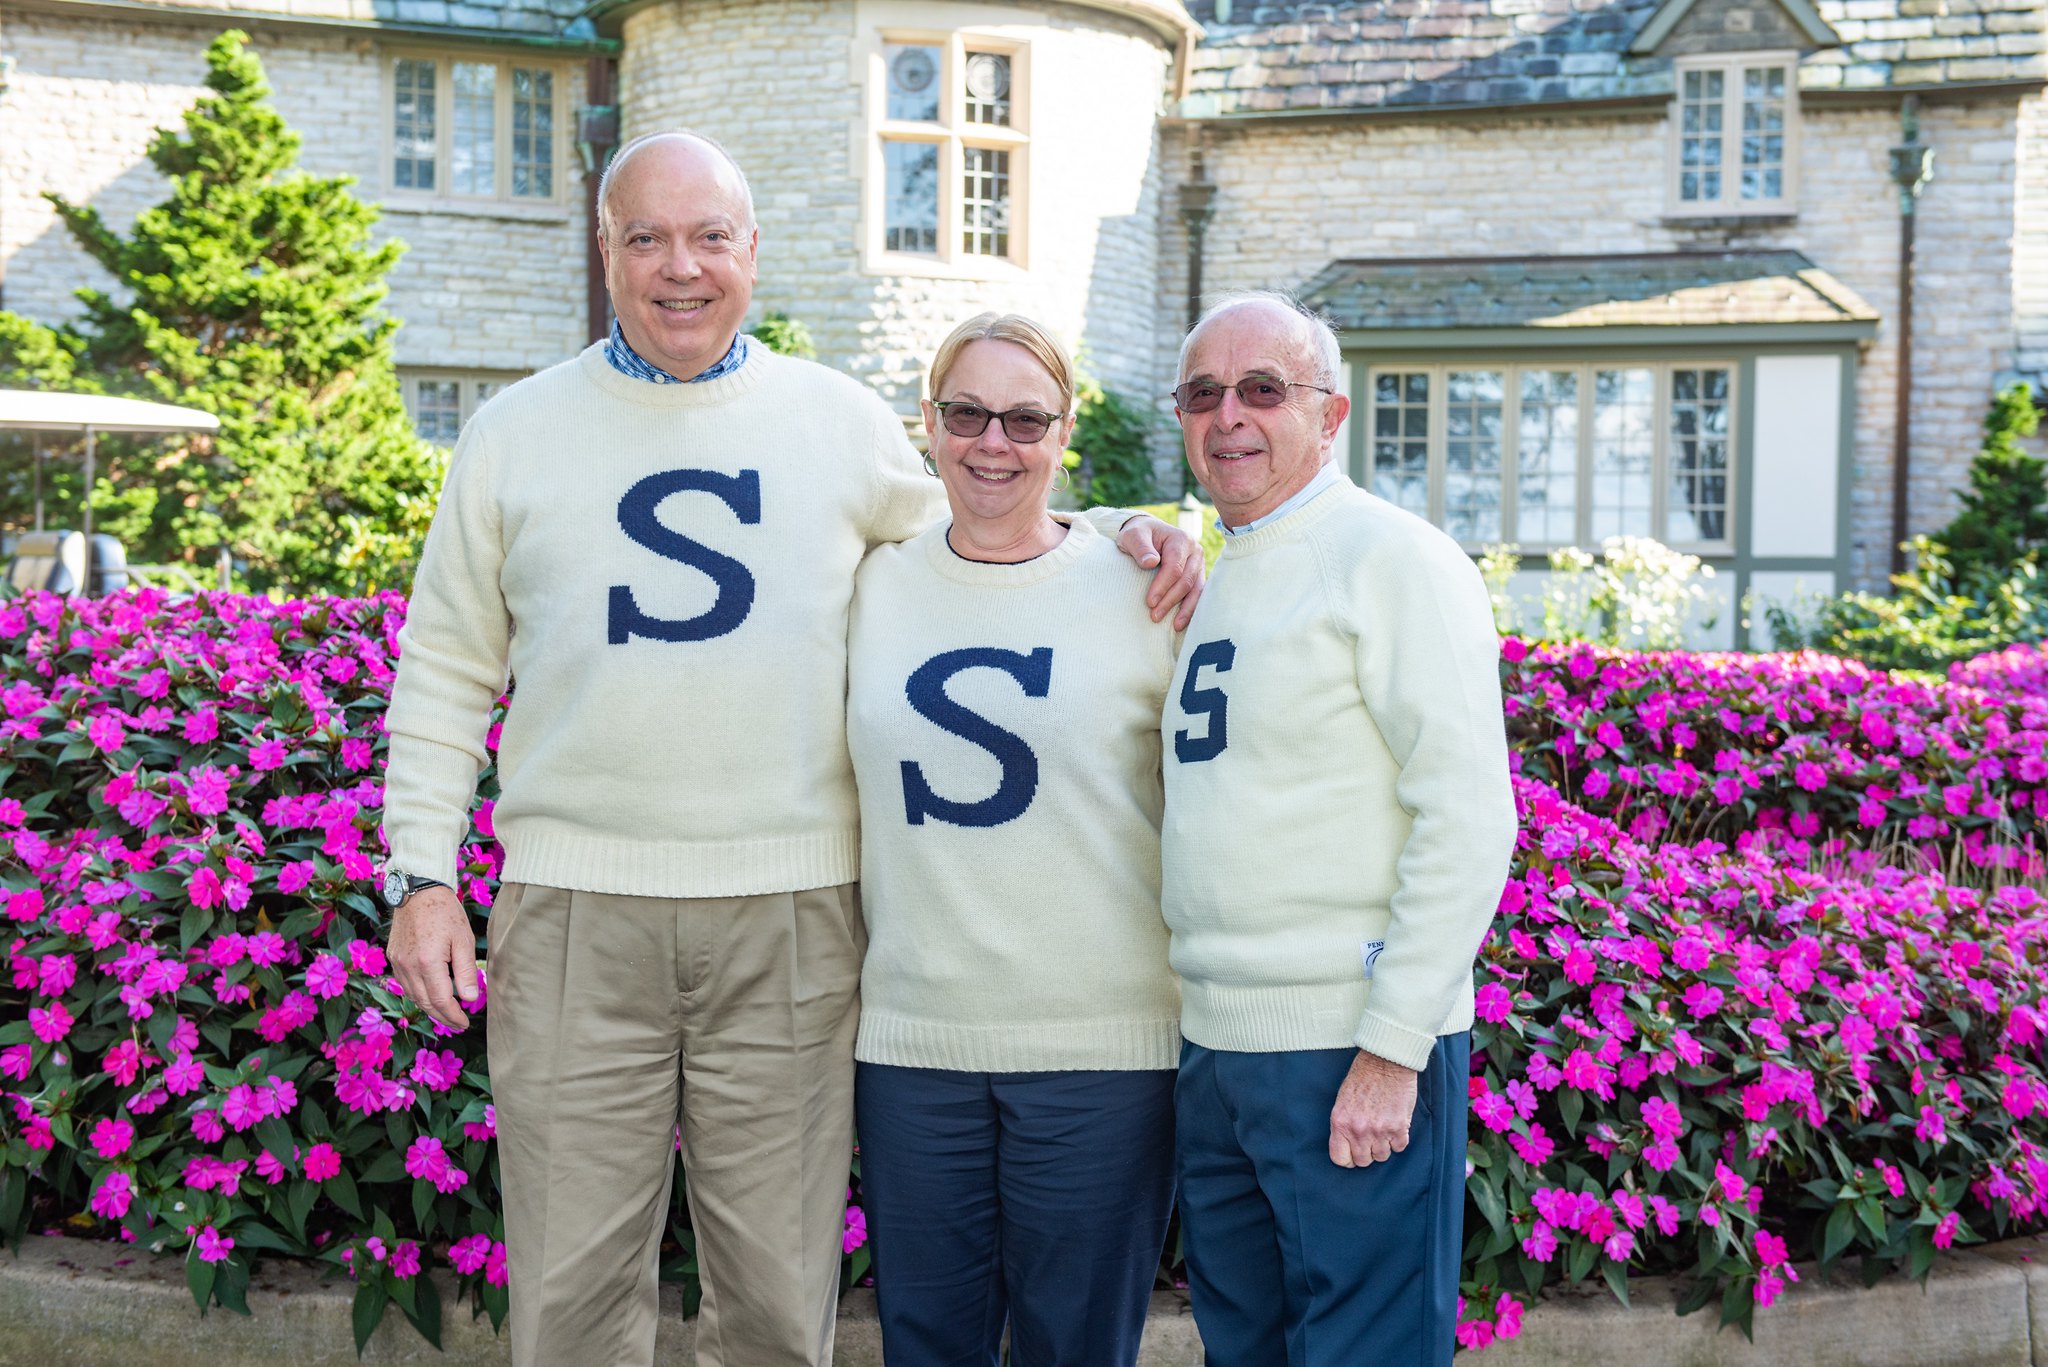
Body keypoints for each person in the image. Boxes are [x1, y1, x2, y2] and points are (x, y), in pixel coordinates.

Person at [378, 131, 1204, 1367]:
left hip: (792, 916)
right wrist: (422, 873)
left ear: (752, 252)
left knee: (774, 1297)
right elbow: (443, 664)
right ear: (603, 249)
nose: (680, 267)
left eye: (710, 236)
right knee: (567, 1288)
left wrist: (1128, 532)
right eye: (646, 236)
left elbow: (994, 520)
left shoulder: (837, 423)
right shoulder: (513, 431)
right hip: (573, 910)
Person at [1159, 291, 1516, 1366]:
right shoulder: (1222, 570)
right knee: (1245, 1349)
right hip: (1220, 1047)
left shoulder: (1390, 558)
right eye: (1202, 393)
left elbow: (1466, 814)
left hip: (1344, 1045)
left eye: (1262, 389)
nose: (1228, 416)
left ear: (1330, 413)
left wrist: (1391, 1046)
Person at [846, 313, 1181, 1367]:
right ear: (929, 422)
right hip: (912, 1044)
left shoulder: (1148, 588)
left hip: (1101, 1049)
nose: (994, 441)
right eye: (966, 412)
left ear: (1063, 430)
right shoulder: (867, 581)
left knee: (1076, 1348)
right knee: (925, 1344)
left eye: (1025, 417)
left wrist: (1144, 525)